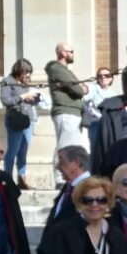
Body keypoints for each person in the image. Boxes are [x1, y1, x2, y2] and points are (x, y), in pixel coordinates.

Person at [46, 42, 89, 185]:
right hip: (66, 111)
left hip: (73, 112)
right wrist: (79, 86)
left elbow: (84, 88)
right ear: (63, 53)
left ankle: (71, 176)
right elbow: (79, 90)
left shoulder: (66, 71)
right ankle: (59, 178)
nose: (73, 54)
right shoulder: (57, 69)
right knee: (64, 146)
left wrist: (80, 86)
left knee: (72, 146)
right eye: (71, 51)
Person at [0, 58, 42, 189]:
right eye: (26, 72)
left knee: (23, 151)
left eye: (29, 73)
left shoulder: (25, 83)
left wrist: (35, 98)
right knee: (13, 150)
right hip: (15, 119)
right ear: (20, 70)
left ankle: (22, 179)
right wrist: (23, 97)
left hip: (27, 120)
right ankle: (7, 180)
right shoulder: (7, 81)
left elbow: (28, 101)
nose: (28, 75)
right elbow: (6, 101)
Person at [46, 145, 91, 229]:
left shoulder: (91, 189)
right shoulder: (68, 188)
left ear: (76, 162)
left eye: (61, 160)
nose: (57, 166)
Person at [83, 66, 120, 156]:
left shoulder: (112, 93)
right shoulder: (92, 88)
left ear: (111, 79)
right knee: (95, 148)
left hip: (107, 125)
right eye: (100, 76)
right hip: (95, 123)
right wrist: (90, 113)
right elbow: (83, 102)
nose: (103, 78)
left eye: (106, 75)